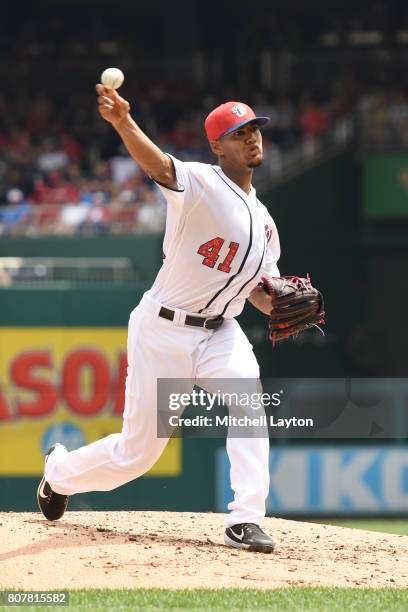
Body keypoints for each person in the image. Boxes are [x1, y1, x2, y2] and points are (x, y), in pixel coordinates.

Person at [37, 85, 281, 554]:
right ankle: (59, 472)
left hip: (221, 334)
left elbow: (261, 293)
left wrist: (286, 306)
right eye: (238, 132)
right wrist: (123, 122)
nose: (251, 138)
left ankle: (244, 520)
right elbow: (157, 165)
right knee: (138, 453)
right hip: (164, 329)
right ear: (217, 145)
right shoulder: (199, 183)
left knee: (249, 400)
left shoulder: (266, 222)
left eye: (254, 129)